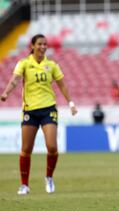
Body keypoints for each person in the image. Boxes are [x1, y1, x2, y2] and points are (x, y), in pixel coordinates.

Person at [0, 34, 78, 195]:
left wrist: (71, 103)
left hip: (48, 109)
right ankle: (24, 185)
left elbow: (62, 85)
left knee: (52, 146)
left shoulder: (52, 65)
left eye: (45, 44)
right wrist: (6, 93)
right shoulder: (24, 63)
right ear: (32, 46)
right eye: (40, 44)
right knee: (26, 148)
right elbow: (15, 80)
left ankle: (49, 177)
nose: (43, 47)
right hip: (30, 110)